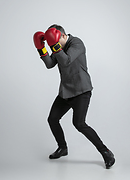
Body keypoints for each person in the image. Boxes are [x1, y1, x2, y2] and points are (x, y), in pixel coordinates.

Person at [33, 24, 115, 169]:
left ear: (63, 36)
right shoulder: (58, 46)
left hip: (82, 90)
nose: (56, 45)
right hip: (66, 91)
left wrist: (54, 45)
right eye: (55, 43)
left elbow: (66, 61)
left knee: (79, 124)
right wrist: (41, 48)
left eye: (57, 42)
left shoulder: (77, 43)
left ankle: (106, 152)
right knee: (52, 119)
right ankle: (62, 148)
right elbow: (50, 64)